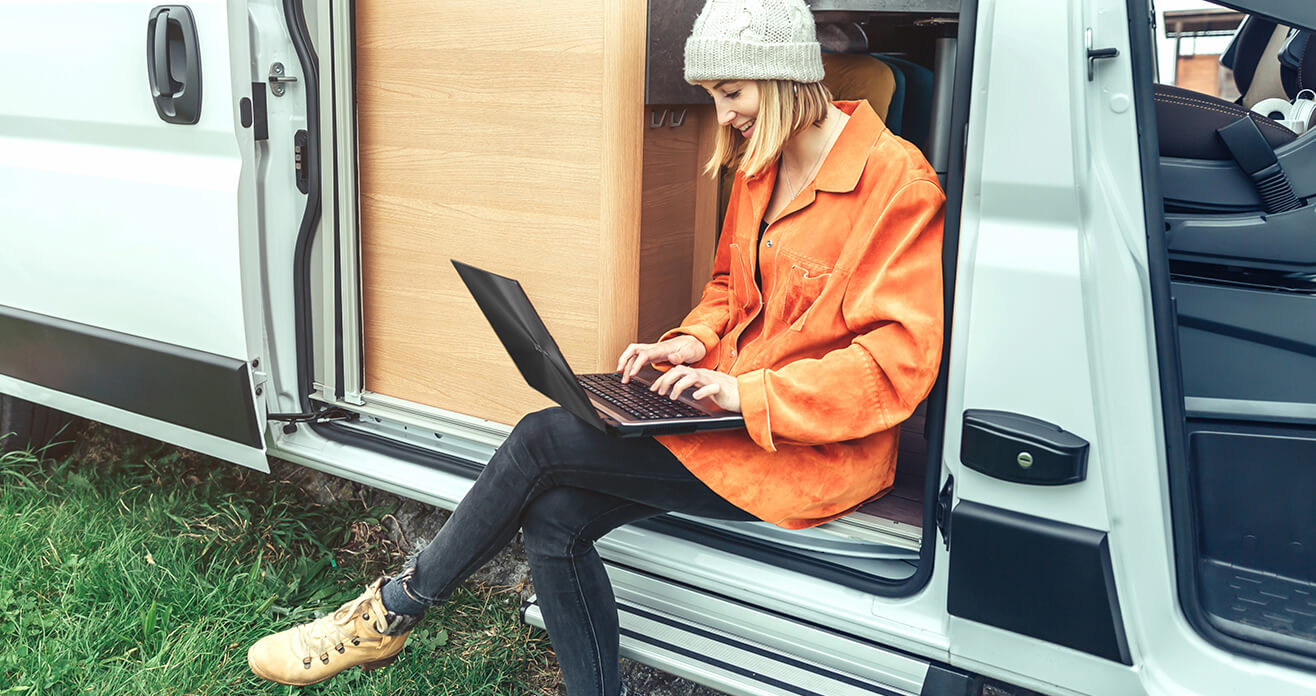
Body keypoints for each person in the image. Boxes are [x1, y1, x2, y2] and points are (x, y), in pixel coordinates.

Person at [245, 0, 944, 692]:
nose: (723, 114)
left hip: (808, 450)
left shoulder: (897, 183)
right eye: (712, 95)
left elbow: (898, 364)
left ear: (786, 74)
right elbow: (730, 287)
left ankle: (391, 611)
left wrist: (746, 393)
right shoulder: (763, 161)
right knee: (555, 520)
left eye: (731, 92)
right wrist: (692, 342)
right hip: (725, 415)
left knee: (542, 439)